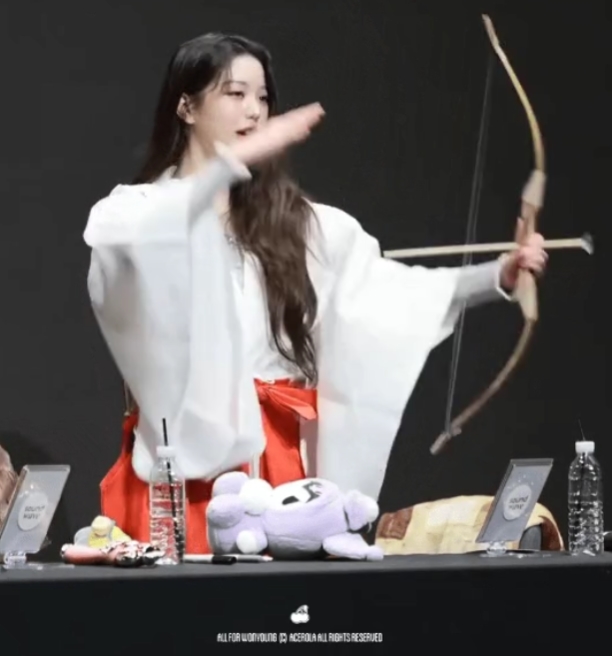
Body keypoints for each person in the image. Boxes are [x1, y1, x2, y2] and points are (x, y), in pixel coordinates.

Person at [83, 33, 547, 554]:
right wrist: (229, 164)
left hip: (281, 478)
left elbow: (388, 294)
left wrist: (500, 276)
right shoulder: (137, 210)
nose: (254, 111)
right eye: (235, 94)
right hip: (182, 475)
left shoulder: (299, 225)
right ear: (186, 106)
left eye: (263, 98)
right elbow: (139, 242)